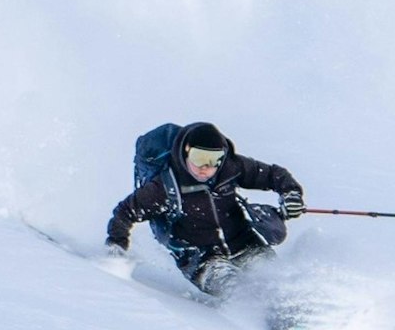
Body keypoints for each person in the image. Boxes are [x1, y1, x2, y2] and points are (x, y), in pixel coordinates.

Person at [105, 121, 305, 297]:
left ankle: (301, 317)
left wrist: (291, 194)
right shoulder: (165, 187)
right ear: (186, 152)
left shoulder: (231, 168)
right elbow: (125, 212)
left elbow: (272, 175)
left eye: (214, 159)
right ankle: (266, 325)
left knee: (276, 279)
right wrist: (117, 244)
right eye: (199, 157)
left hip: (245, 244)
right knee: (238, 290)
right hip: (202, 260)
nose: (206, 167)